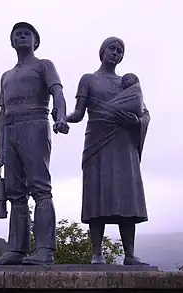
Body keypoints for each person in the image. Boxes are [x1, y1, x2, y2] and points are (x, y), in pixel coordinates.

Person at [0, 22, 69, 265]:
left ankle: (45, 249)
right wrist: (0, 146)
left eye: (26, 34)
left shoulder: (44, 65)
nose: (21, 37)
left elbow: (58, 93)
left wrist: (61, 115)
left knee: (40, 188)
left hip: (36, 123)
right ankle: (17, 249)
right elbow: (2, 114)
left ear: (35, 41)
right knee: (14, 192)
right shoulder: (6, 75)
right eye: (17, 35)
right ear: (12, 42)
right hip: (11, 130)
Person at [66, 37, 150, 265]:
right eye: (112, 49)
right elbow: (78, 113)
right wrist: (62, 119)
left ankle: (130, 254)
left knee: (126, 195)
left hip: (123, 143)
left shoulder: (128, 83)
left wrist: (135, 121)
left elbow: (144, 113)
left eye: (120, 51)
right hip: (97, 141)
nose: (116, 53)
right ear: (102, 51)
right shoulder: (88, 80)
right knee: (97, 195)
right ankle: (97, 253)